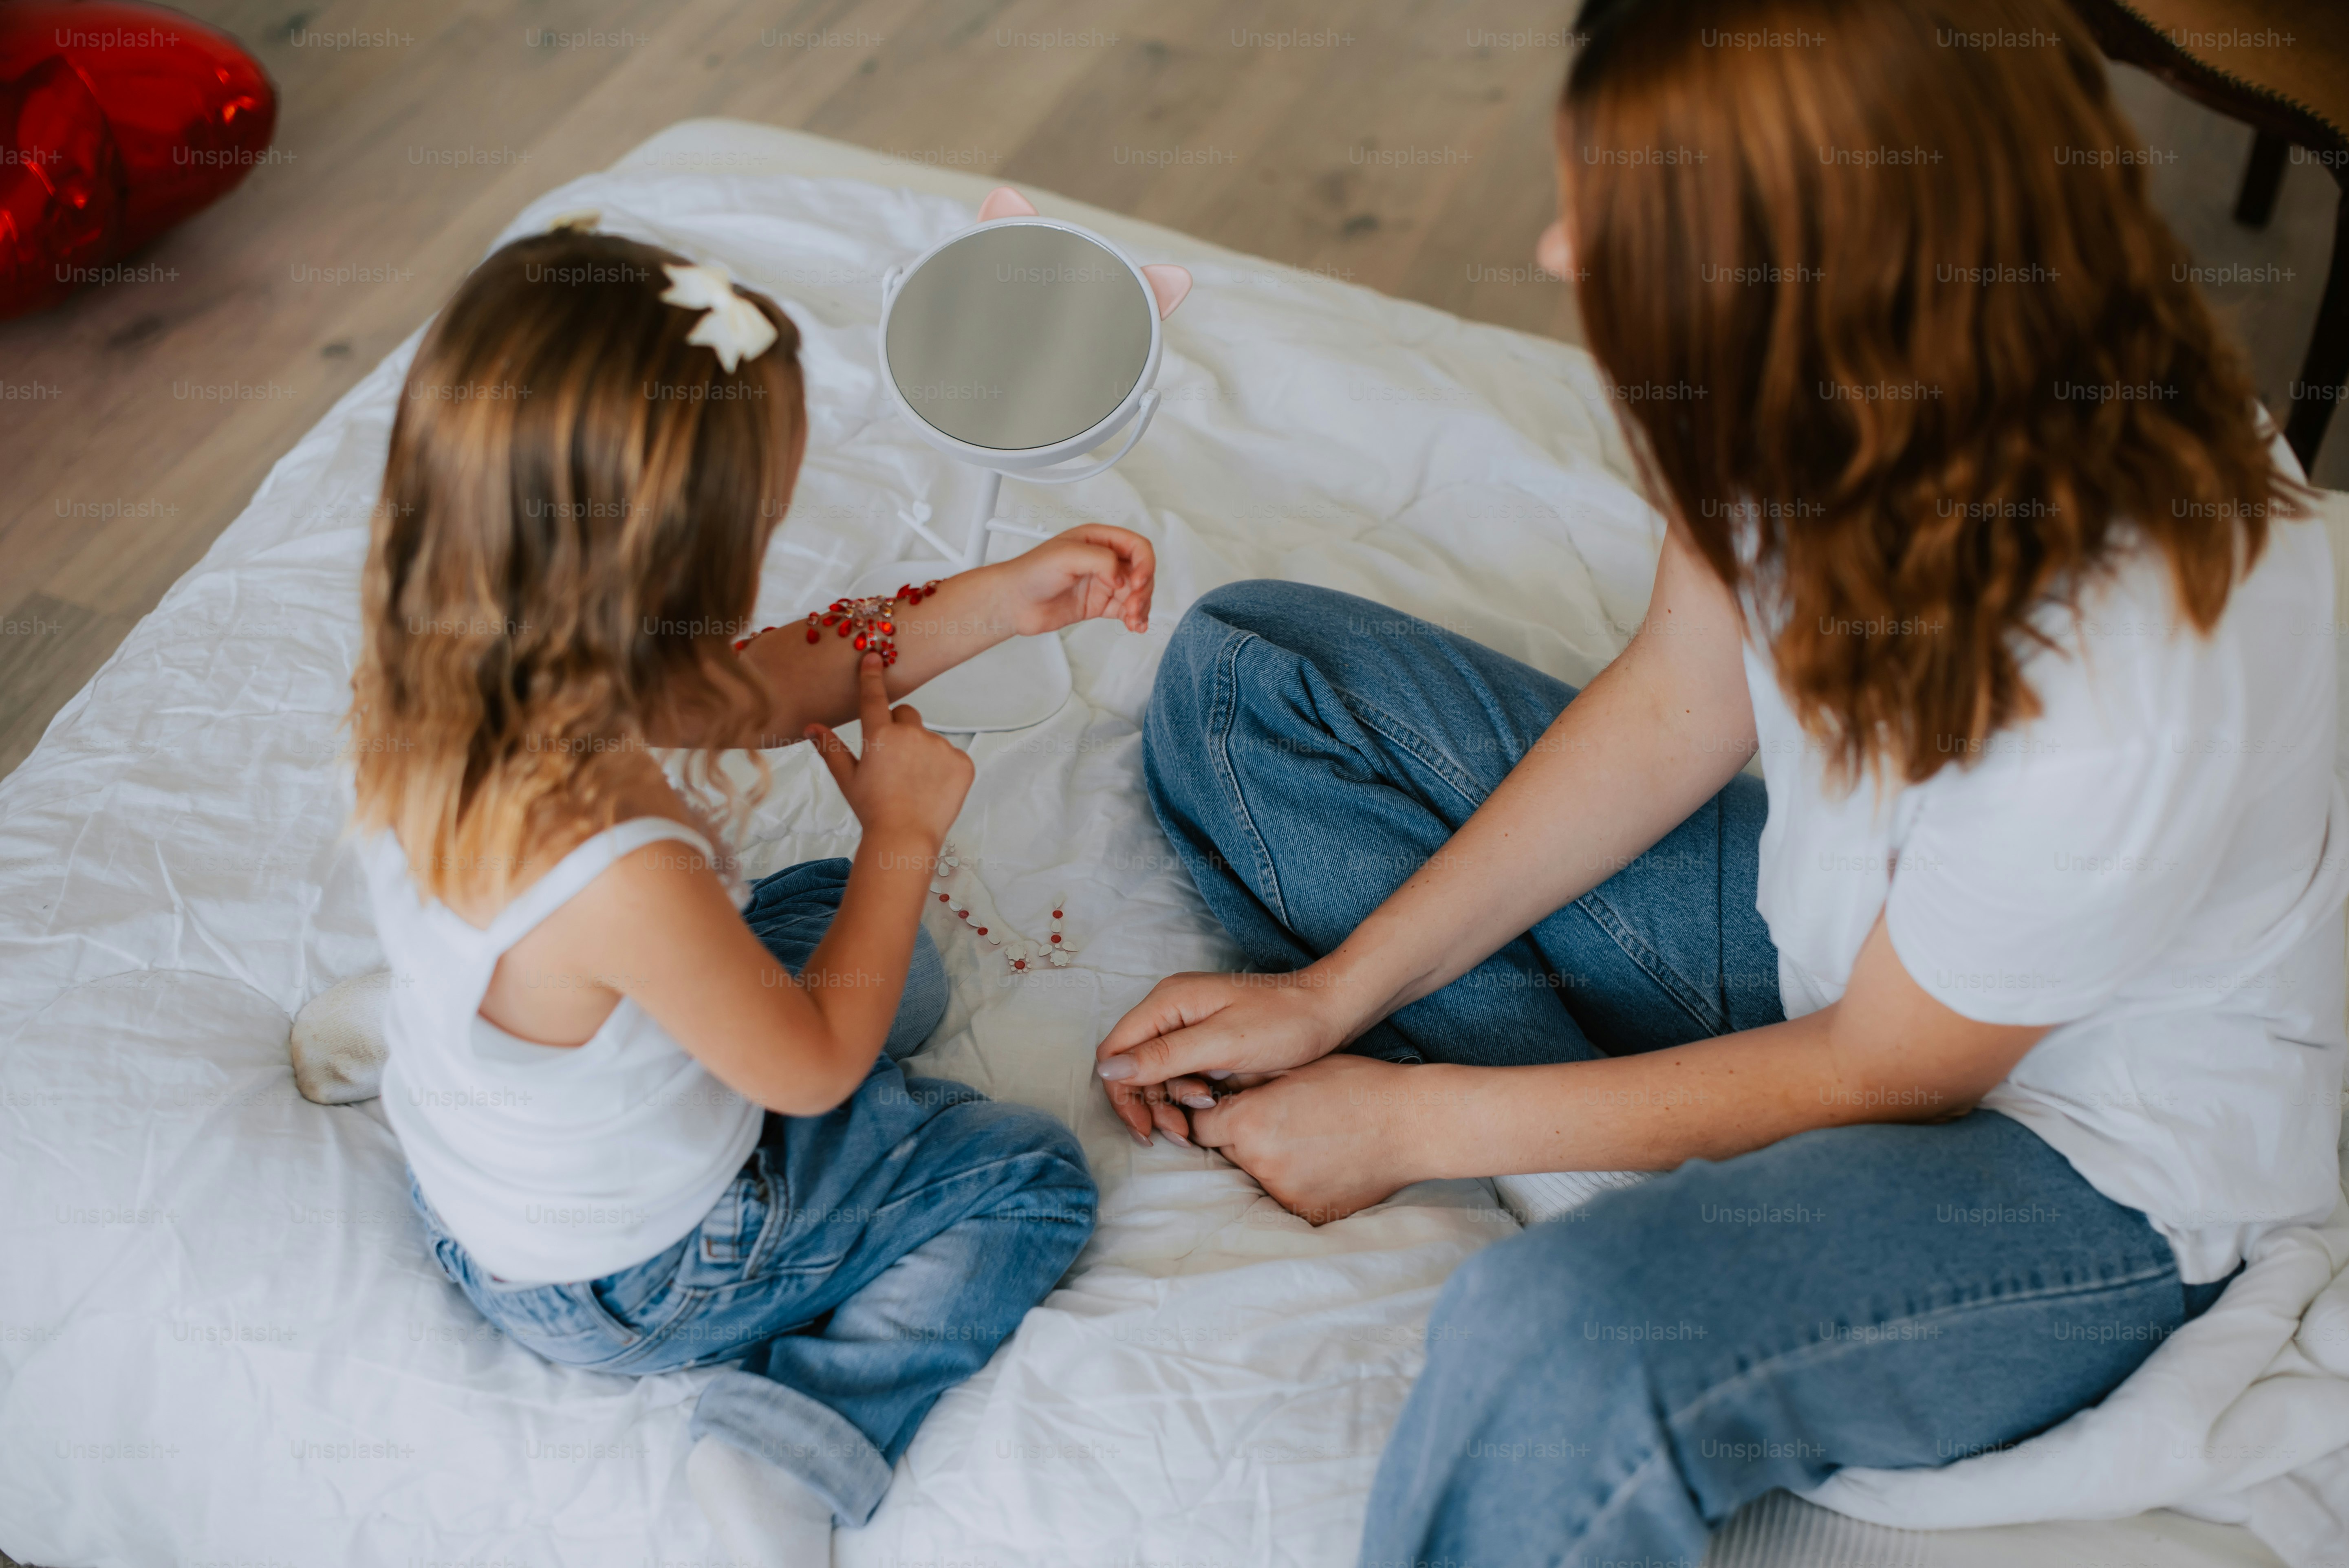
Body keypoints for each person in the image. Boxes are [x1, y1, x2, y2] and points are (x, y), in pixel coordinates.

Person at [1091, 0, 2348, 1561]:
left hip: (2070, 1160)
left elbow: (1891, 1074)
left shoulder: (2134, 669)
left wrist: (1413, 1126)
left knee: (1558, 1341)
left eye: (1613, 220)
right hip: (1845, 970)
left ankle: (1658, 1216)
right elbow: (1681, 696)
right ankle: (1658, 1179)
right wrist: (1334, 998)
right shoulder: (1790, 397)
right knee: (1253, 684)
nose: (1557, 255)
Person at [347, 228, 1152, 1560]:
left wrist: (998, 604)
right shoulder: (616, 860)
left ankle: (457, 1009)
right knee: (1022, 1178)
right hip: (633, 1275)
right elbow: (816, 1073)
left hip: (496, 1174)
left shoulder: (454, 663)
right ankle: (786, 1452)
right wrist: (901, 835)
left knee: (848, 925)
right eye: (761, 525)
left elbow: (779, 677)